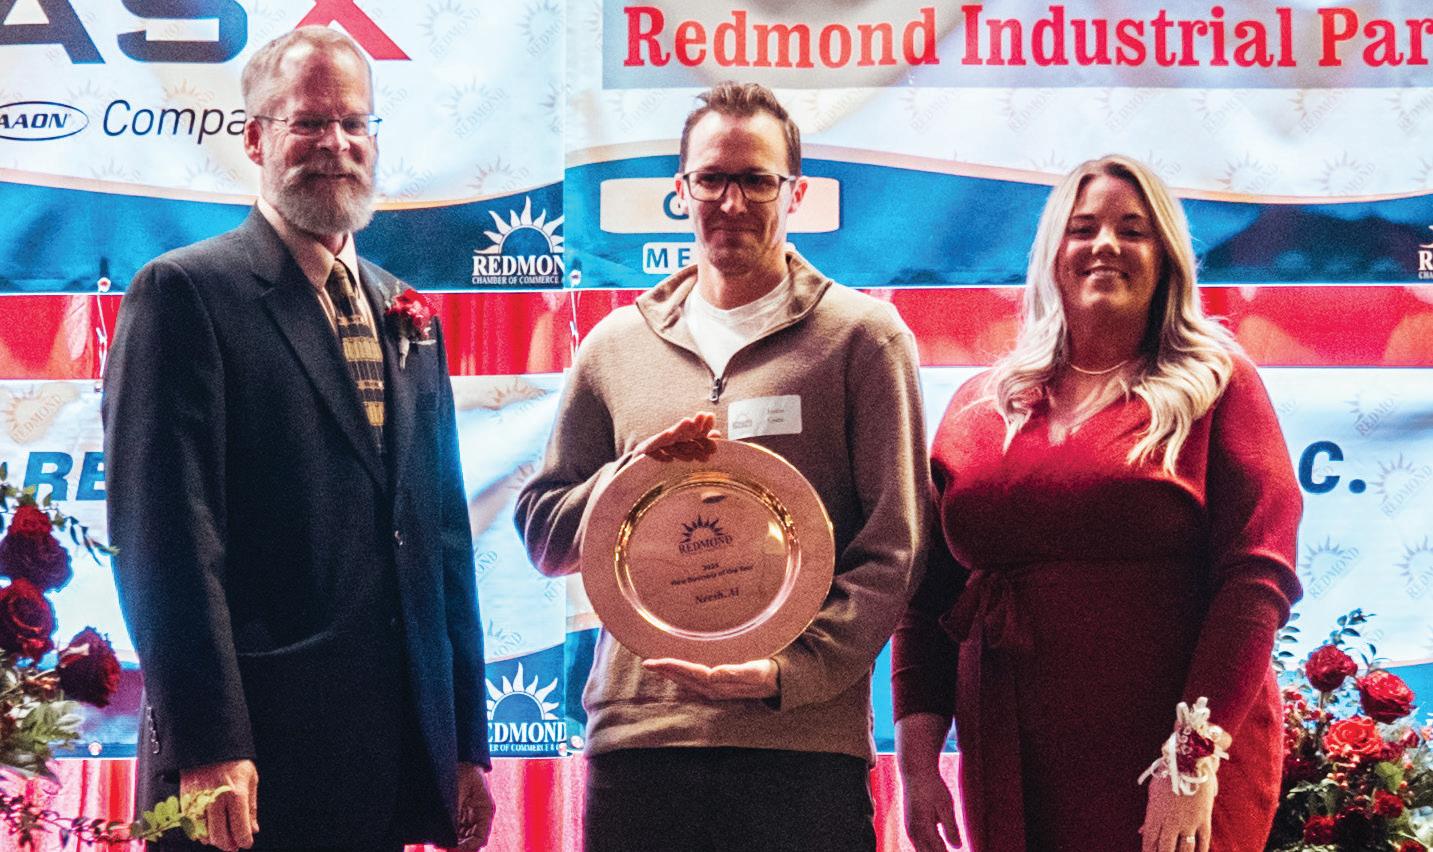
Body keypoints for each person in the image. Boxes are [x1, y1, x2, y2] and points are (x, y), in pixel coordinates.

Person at [102, 27, 494, 852]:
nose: (336, 145)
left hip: (385, 765)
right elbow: (166, 541)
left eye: (354, 123)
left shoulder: (403, 309)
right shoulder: (182, 292)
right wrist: (208, 743)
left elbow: (441, 540)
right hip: (245, 767)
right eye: (308, 123)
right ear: (254, 138)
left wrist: (462, 744)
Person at [515, 81, 930, 852]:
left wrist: (788, 673)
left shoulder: (863, 338)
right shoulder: (613, 347)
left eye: (755, 180)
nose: (731, 202)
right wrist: (632, 478)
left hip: (799, 747)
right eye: (711, 179)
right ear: (681, 190)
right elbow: (544, 535)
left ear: (793, 192)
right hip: (640, 744)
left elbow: (894, 549)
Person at [892, 155, 1302, 852]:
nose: (1104, 245)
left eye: (1132, 230)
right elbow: (929, 596)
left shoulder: (1218, 384)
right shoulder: (981, 402)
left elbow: (1255, 580)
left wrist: (1190, 759)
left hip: (1171, 759)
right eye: (1082, 229)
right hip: (1011, 756)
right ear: (1052, 252)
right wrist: (916, 761)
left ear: (1166, 257)